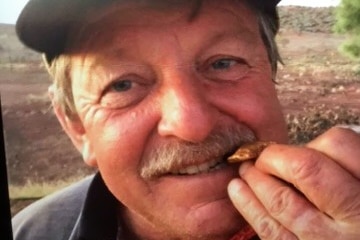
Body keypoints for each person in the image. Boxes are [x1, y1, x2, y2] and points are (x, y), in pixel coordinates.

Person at [11, 0, 360, 239]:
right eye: (123, 84)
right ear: (77, 128)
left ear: (272, 76)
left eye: (224, 63)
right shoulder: (30, 233)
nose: (192, 125)